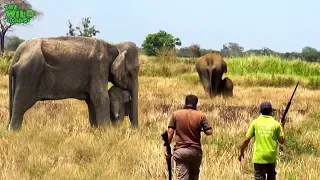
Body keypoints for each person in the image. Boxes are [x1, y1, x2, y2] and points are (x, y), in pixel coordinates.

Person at [163, 94, 213, 180]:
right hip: (195, 152)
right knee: (194, 177)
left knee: (182, 178)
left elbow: (170, 132)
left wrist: (166, 146)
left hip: (181, 152)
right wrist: (200, 129)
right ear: (196, 104)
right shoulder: (201, 116)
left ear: (186, 102)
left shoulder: (176, 114)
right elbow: (209, 132)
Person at [238, 101, 285, 180]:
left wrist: (242, 151)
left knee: (259, 177)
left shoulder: (255, 123)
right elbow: (282, 141)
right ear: (271, 111)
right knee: (271, 177)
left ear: (260, 111)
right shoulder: (276, 124)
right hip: (271, 157)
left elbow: (246, 139)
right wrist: (282, 126)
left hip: (258, 157)